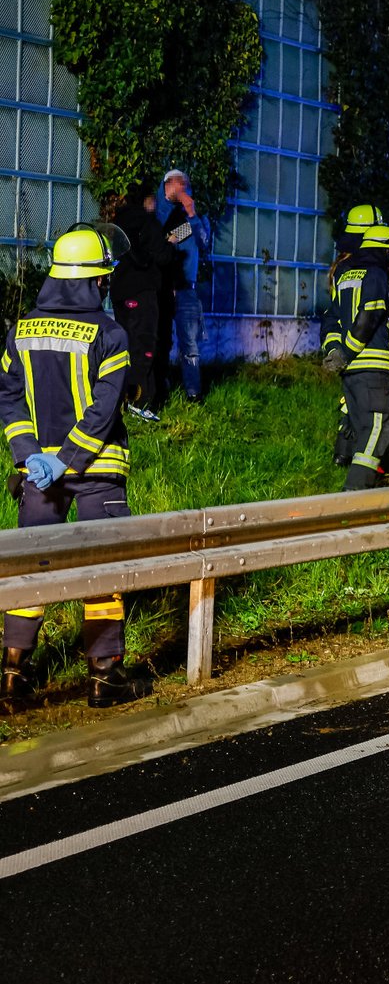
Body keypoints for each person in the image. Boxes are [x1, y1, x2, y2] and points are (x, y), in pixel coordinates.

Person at [1, 224, 152, 709]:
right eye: (103, 280)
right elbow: (105, 410)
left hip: (36, 475)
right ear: (93, 282)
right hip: (96, 472)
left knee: (31, 572)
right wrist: (67, 460)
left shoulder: (20, 329)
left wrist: (31, 458)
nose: (106, 287)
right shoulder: (110, 333)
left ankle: (12, 674)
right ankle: (105, 677)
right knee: (101, 569)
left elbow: (8, 399)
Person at [323, 222, 389, 490]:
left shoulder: (345, 276)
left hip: (352, 373)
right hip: (373, 368)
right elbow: (370, 315)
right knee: (376, 433)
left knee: (362, 428)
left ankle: (363, 484)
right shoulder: (376, 274)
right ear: (384, 251)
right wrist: (348, 350)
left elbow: (330, 319)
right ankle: (353, 495)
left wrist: (335, 351)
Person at [109, 188, 179, 421]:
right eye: (153, 200)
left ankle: (123, 400)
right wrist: (169, 242)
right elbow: (163, 257)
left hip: (120, 292)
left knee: (126, 347)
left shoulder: (117, 224)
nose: (155, 205)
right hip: (142, 292)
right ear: (146, 200)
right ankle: (141, 403)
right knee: (145, 346)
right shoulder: (147, 222)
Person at [158, 169, 211, 404]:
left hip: (186, 290)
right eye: (180, 184)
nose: (184, 189)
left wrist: (191, 213)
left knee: (189, 344)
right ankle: (159, 389)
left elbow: (203, 242)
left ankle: (193, 393)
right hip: (160, 288)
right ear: (167, 185)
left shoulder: (191, 216)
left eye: (186, 185)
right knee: (158, 340)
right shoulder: (157, 210)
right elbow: (160, 242)